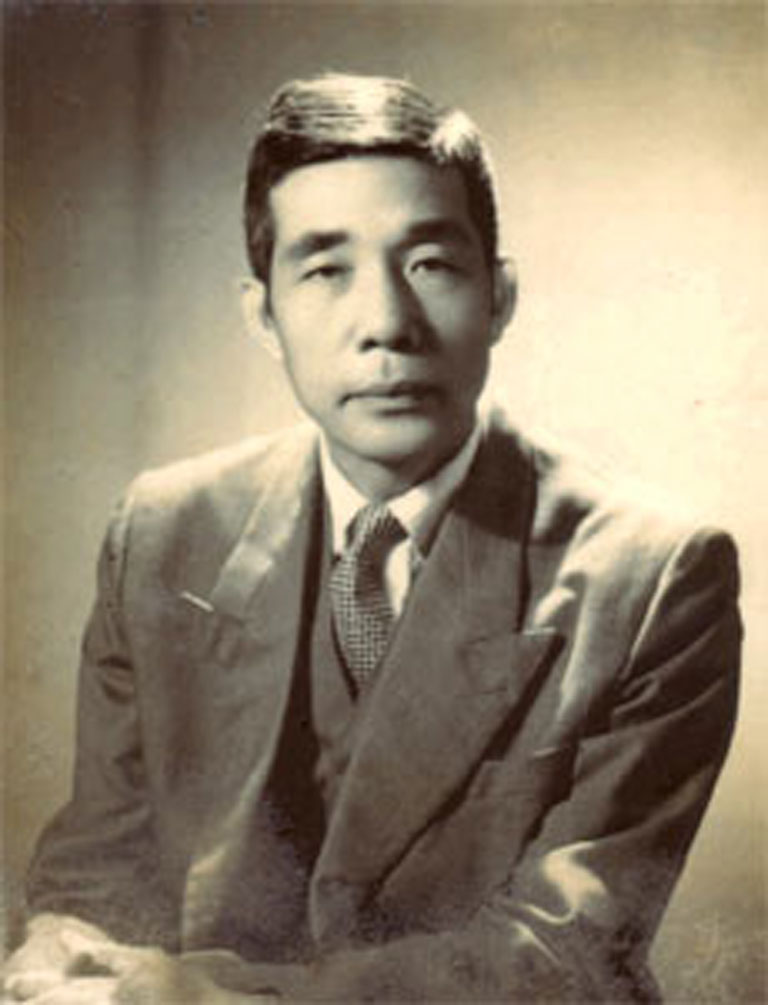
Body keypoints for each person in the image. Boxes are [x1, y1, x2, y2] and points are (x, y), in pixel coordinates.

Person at [3, 73, 741, 1004]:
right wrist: (64, 950)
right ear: (263, 316)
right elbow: (100, 865)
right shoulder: (164, 533)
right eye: (325, 270)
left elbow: (566, 958)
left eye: (431, 264)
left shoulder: (655, 574)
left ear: (500, 296)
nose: (386, 325)